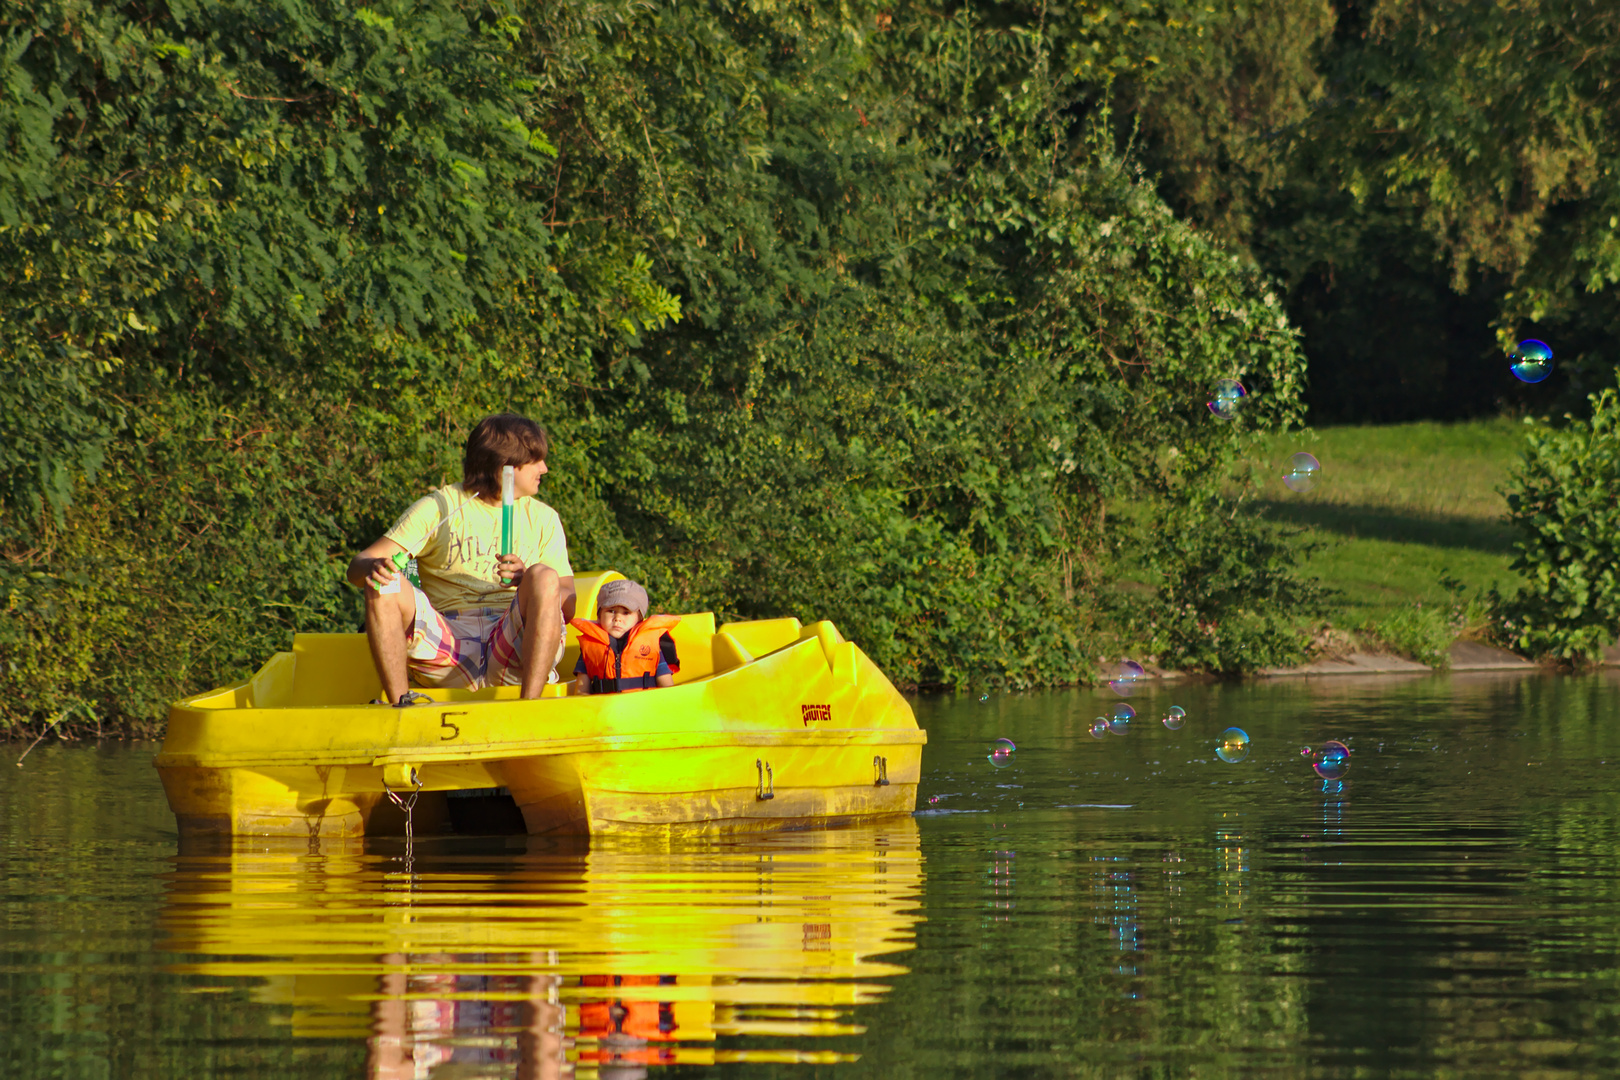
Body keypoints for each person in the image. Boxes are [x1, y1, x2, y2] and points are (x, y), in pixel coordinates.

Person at [346, 414, 575, 703]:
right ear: (505, 465)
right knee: (385, 582)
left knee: (543, 575)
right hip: (447, 646)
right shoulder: (440, 507)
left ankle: (528, 707)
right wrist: (375, 566)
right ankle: (399, 706)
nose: (544, 468)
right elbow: (357, 567)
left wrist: (526, 578)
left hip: (512, 648)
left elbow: (569, 606)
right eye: (534, 459)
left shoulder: (544, 518)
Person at [571, 580, 680, 695]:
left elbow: (667, 689)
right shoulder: (590, 646)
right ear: (599, 615)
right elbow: (581, 691)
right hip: (604, 710)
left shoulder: (652, 646)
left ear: (639, 619)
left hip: (644, 708)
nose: (617, 618)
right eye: (611, 611)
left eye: (626, 613)